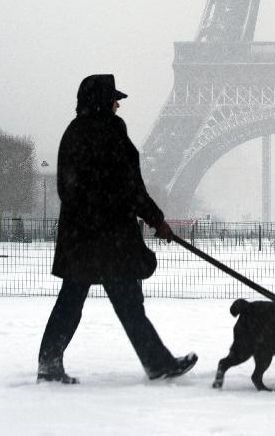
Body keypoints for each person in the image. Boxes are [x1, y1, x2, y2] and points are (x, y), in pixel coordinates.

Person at [37, 74, 196, 384]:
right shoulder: (111, 131)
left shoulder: (73, 132)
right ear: (103, 102)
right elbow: (130, 186)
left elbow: (66, 189)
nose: (118, 105)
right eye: (114, 100)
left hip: (81, 236)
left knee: (72, 300)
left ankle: (49, 360)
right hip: (111, 237)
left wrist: (87, 215)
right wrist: (156, 219)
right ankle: (157, 363)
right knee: (128, 304)